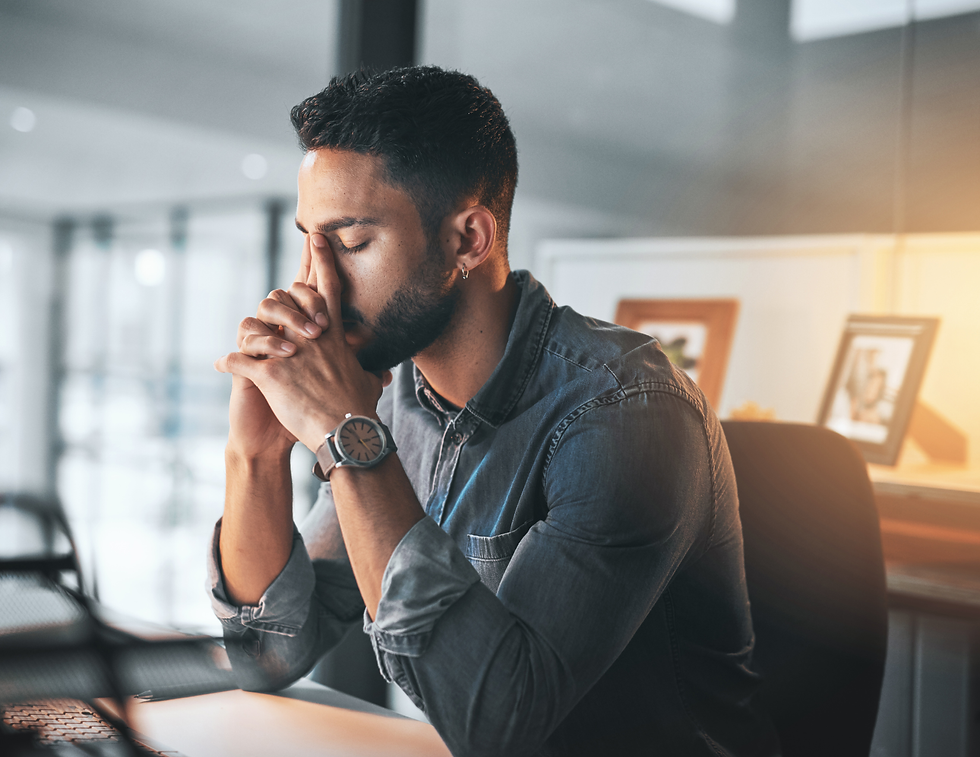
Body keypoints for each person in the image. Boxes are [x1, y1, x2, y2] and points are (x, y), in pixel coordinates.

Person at [209, 66, 777, 757]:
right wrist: (256, 453)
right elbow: (264, 656)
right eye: (309, 240)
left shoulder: (628, 414)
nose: (312, 281)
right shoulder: (395, 400)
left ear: (468, 241)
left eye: (351, 243)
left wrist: (345, 437)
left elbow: (501, 724)